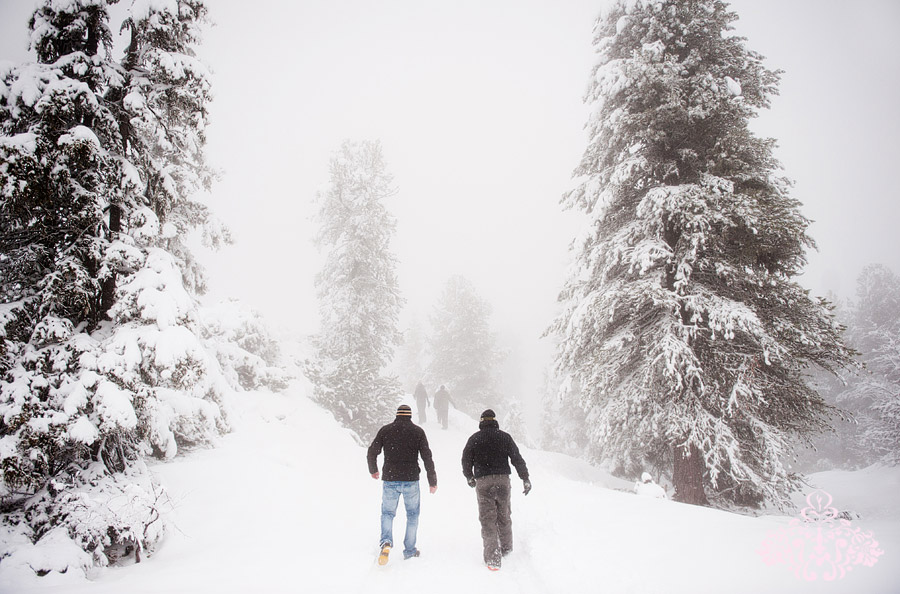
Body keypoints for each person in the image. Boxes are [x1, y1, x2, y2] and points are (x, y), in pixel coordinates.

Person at [367, 404, 438, 565]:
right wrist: (432, 480)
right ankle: (410, 550)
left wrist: (373, 469)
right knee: (412, 515)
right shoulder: (418, 432)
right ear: (410, 416)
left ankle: (386, 542)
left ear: (397, 415)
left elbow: (372, 451)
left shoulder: (386, 430)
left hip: (390, 479)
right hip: (411, 479)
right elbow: (427, 457)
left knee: (387, 513)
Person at [461, 409, 531, 571]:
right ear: (494, 421)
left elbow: (465, 460)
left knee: (487, 519)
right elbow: (517, 459)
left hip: (483, 481)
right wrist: (525, 478)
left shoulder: (474, 439)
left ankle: (493, 557)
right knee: (504, 515)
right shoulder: (504, 437)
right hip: (503, 480)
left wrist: (469, 477)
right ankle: (507, 548)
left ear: (481, 421)